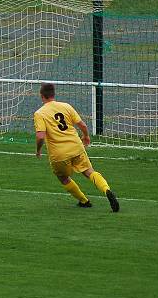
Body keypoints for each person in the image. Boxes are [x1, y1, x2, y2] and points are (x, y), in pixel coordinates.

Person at [34, 83, 119, 212]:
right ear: (53, 94)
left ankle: (84, 201)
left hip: (59, 154)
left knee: (63, 177)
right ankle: (106, 189)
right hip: (76, 146)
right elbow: (83, 125)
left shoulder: (40, 113)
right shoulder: (66, 106)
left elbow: (40, 136)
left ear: (41, 96)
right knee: (89, 172)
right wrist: (86, 136)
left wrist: (38, 150)